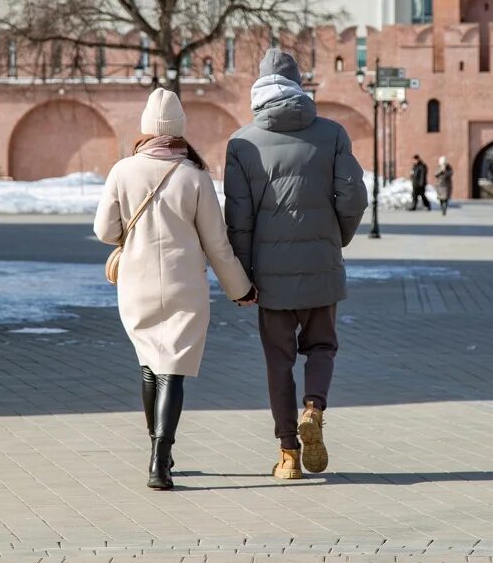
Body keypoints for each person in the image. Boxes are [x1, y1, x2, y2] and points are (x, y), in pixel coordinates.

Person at [94, 88, 256, 491]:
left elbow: (103, 231)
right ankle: (160, 458)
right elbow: (218, 245)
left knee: (150, 363)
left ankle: (156, 452)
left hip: (136, 284)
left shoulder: (123, 170)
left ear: (146, 128)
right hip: (185, 285)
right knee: (173, 370)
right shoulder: (195, 176)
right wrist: (240, 288)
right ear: (180, 129)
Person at [225, 49, 367, 481]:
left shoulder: (242, 143)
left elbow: (239, 218)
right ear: (299, 86)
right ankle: (314, 408)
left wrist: (244, 276)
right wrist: (335, 238)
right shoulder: (333, 133)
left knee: (278, 361)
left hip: (270, 276)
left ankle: (288, 454)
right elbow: (355, 197)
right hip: (321, 263)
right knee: (322, 346)